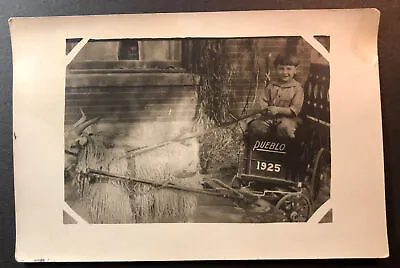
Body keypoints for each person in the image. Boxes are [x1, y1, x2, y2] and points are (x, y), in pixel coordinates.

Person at [247, 53, 304, 139]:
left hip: (288, 119)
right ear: (276, 69)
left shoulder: (297, 88)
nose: (285, 72)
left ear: (295, 70)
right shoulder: (271, 86)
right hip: (270, 117)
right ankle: (264, 147)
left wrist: (278, 110)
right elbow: (263, 100)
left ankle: (284, 149)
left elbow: (294, 110)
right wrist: (265, 109)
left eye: (289, 69)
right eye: (281, 69)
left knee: (285, 129)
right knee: (256, 126)